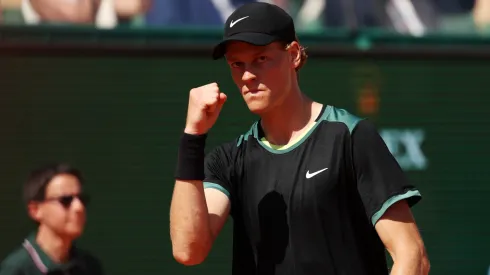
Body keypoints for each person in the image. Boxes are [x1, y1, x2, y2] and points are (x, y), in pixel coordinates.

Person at [170, 2, 430, 275]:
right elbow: (189, 249)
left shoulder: (350, 137)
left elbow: (412, 256)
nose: (247, 75)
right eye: (237, 64)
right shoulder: (228, 161)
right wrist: (193, 136)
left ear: (293, 54)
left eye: (260, 59)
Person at [0, 163, 103, 275]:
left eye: (82, 199)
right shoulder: (16, 269)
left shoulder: (89, 266)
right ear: (35, 210)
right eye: (66, 200)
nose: (79, 207)